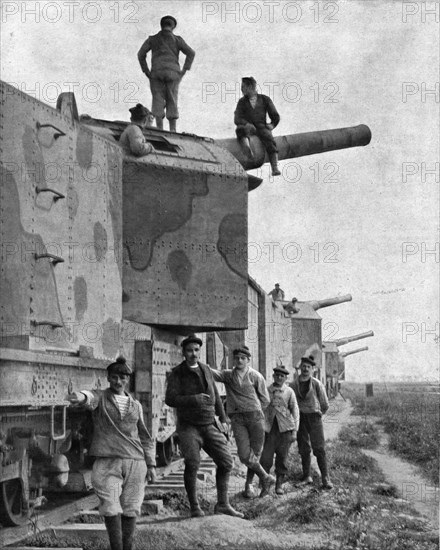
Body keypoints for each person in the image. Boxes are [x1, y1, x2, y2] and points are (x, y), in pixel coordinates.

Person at [66, 357, 156, 550]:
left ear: (127, 380)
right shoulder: (101, 399)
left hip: (135, 463)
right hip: (108, 464)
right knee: (111, 505)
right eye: (114, 377)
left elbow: (146, 437)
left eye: (122, 378)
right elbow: (89, 397)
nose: (118, 382)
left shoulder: (136, 405)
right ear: (108, 378)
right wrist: (79, 396)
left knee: (131, 507)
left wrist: (152, 464)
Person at [165, 334, 243, 518]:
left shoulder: (206, 369)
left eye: (196, 350)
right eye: (190, 350)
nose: (193, 354)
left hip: (208, 425)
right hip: (188, 426)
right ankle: (194, 506)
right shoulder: (177, 373)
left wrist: (223, 421)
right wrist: (194, 399)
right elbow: (170, 399)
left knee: (226, 461)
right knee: (192, 463)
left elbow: (215, 395)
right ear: (184, 353)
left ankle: (223, 504)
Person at [211, 346, 275, 498]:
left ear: (248, 360)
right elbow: (212, 373)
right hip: (238, 419)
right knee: (244, 454)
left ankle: (249, 485)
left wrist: (255, 409)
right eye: (237, 358)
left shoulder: (255, 376)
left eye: (242, 358)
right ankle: (266, 477)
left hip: (255, 418)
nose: (239, 360)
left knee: (256, 454)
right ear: (234, 359)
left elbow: (265, 400)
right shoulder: (228, 375)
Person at [138, 15, 195, 132]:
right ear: (173, 26)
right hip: (173, 73)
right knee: (172, 99)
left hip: (156, 72)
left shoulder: (152, 39)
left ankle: (159, 128)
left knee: (157, 98)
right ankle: (172, 130)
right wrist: (184, 70)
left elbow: (141, 54)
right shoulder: (177, 39)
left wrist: (146, 70)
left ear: (162, 25)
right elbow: (191, 53)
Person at [290, 355, 333, 489]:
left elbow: (325, 404)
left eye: (308, 367)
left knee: (319, 448)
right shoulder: (293, 385)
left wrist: (319, 413)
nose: (305, 369)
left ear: (313, 369)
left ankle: (325, 478)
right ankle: (307, 475)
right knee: (303, 448)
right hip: (300, 419)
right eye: (303, 367)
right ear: (300, 368)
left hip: (314, 418)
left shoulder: (316, 384)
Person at [260, 365, 299, 495]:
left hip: (285, 429)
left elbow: (295, 410)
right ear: (273, 376)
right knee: (266, 459)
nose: (279, 378)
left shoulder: (289, 392)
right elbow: (261, 407)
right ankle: (265, 487)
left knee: (282, 458)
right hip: (270, 430)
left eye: (282, 376)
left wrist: (295, 431)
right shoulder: (267, 390)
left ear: (285, 378)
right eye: (277, 375)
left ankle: (279, 485)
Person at [234, 76, 281, 176]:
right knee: (239, 130)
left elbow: (275, 116)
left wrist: (272, 125)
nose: (242, 89)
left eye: (243, 87)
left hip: (261, 127)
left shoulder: (265, 99)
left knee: (269, 138)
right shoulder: (242, 102)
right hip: (247, 127)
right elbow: (237, 118)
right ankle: (247, 151)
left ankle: (275, 167)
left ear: (250, 86)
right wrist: (246, 124)